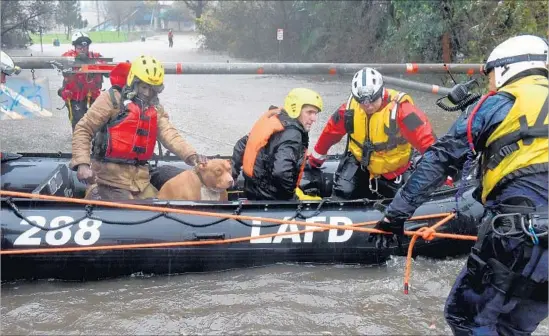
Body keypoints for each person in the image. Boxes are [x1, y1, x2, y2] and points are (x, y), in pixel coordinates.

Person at [371, 34, 548, 335]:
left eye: (490, 74)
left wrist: (395, 215)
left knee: (465, 316)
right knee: (513, 327)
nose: (490, 83)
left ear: (507, 69)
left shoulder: (497, 104)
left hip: (515, 233)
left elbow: (440, 159)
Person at [70, 55, 208, 200]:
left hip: (141, 181)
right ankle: (94, 193)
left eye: (153, 89)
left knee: (161, 208)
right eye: (144, 87)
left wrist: (192, 156)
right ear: (133, 82)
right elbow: (84, 129)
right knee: (132, 213)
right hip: (108, 180)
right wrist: (83, 164)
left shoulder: (155, 108)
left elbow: (170, 134)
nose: (148, 93)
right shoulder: (112, 99)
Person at [308, 67, 437, 200]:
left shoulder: (402, 110)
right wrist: (315, 159)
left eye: (372, 100)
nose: (368, 106)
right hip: (361, 165)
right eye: (362, 103)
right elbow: (330, 133)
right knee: (342, 192)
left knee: (404, 200)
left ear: (380, 92)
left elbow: (427, 140)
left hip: (394, 171)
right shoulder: (349, 110)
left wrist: (442, 171)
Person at [231, 88, 323, 200]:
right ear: (296, 110)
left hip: (253, 190)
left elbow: (241, 145)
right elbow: (281, 172)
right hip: (271, 197)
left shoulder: (276, 119)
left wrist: (233, 173)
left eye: (315, 113)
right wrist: (291, 198)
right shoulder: (293, 134)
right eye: (309, 112)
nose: (314, 119)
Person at [59, 31, 105, 132]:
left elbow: (107, 68)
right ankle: (79, 139)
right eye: (80, 47)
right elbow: (63, 69)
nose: (83, 50)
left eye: (85, 47)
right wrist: (77, 61)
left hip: (93, 95)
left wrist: (92, 64)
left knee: (98, 120)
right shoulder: (67, 57)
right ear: (74, 47)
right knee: (79, 123)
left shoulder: (96, 57)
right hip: (75, 96)